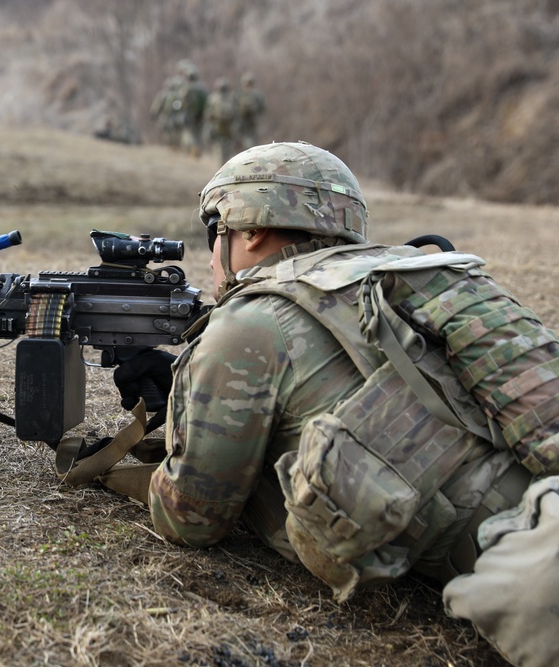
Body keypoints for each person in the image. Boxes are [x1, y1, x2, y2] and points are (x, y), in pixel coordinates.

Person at [107, 142, 559, 667]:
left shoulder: (250, 324)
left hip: (531, 557)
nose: (211, 256)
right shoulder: (411, 276)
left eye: (216, 234)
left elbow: (189, 520)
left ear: (250, 231)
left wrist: (174, 424)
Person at [203, 77, 236, 164]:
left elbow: (208, 114)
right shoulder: (232, 98)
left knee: (219, 147)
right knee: (229, 147)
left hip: (217, 126)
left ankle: (221, 164)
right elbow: (236, 114)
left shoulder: (212, 98)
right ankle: (228, 163)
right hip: (229, 127)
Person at [233, 72, 266, 151]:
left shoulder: (238, 93)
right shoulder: (257, 94)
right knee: (251, 138)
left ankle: (242, 152)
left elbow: (233, 106)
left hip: (240, 120)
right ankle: (251, 151)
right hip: (252, 120)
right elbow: (263, 108)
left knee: (240, 137)